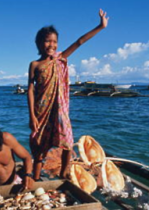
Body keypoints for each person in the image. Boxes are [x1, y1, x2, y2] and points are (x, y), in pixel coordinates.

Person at [27, 9, 109, 180]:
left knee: (67, 141)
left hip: (59, 109)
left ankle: (65, 173)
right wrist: (32, 116)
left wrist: (100, 26)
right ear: (39, 43)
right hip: (41, 111)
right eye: (47, 41)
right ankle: (34, 179)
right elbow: (30, 90)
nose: (51, 45)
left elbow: (80, 41)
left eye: (54, 42)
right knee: (39, 145)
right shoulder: (34, 64)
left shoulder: (60, 58)